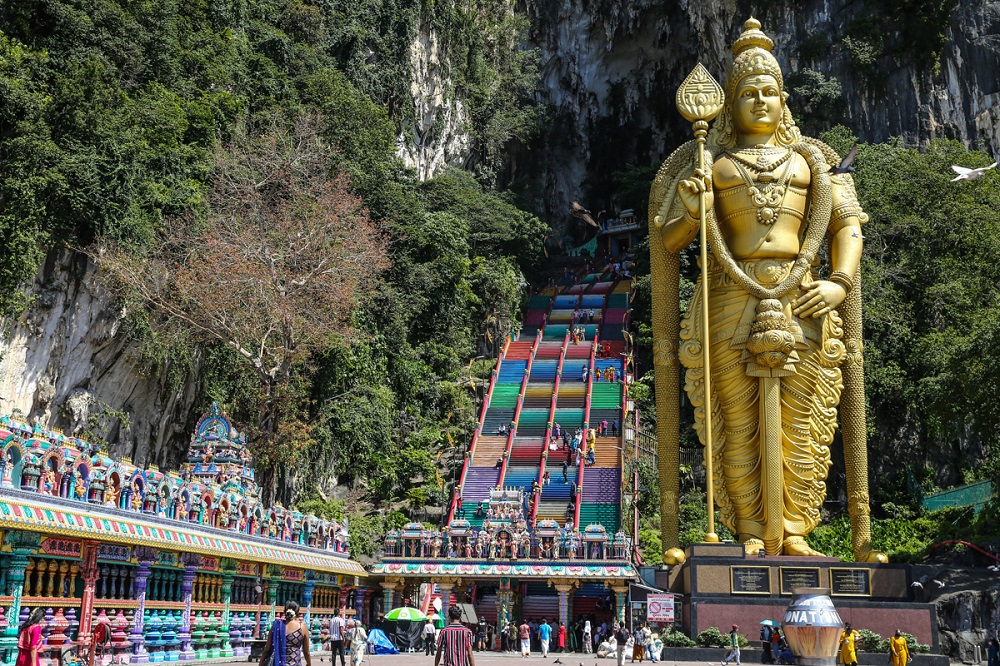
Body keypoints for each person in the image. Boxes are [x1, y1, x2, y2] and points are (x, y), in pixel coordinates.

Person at [649, 17, 882, 559]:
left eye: (769, 92)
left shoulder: (814, 162)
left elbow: (846, 226)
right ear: (728, 103)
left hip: (804, 295)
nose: (759, 101)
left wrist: (839, 283)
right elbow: (669, 243)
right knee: (738, 421)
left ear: (784, 100)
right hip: (731, 298)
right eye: (747, 93)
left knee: (803, 422)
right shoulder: (711, 164)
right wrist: (691, 208)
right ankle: (750, 529)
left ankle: (798, 530)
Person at [259, 601, 312, 666]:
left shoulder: (276, 625)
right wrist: (309, 664)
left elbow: (267, 650)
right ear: (298, 612)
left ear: (285, 611)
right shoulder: (302, 627)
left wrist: (260, 663)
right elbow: (306, 652)